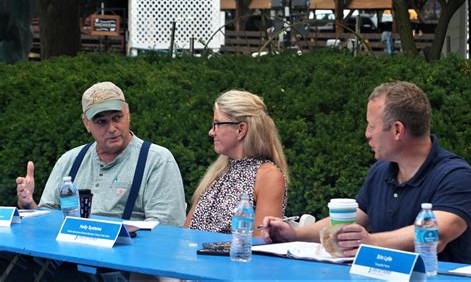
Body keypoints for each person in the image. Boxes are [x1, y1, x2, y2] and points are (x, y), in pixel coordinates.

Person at [261, 81, 471, 264]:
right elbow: (348, 222)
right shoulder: (381, 171)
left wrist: (371, 243)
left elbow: (436, 233)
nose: (367, 134)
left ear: (397, 130)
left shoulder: (456, 176)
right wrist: (294, 233)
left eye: (372, 126)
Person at [3, 81, 187, 280]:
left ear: (128, 114)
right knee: (6, 260)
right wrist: (29, 204)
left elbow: (168, 232)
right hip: (66, 256)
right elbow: (46, 221)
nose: (112, 128)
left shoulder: (157, 160)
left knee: (69, 276)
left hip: (124, 265)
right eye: (101, 122)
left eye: (117, 118)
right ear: (86, 124)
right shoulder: (70, 159)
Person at [184, 90, 289, 235]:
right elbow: (186, 232)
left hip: (233, 257)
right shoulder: (219, 170)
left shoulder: (269, 177)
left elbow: (260, 244)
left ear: (241, 129)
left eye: (217, 124)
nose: (211, 132)